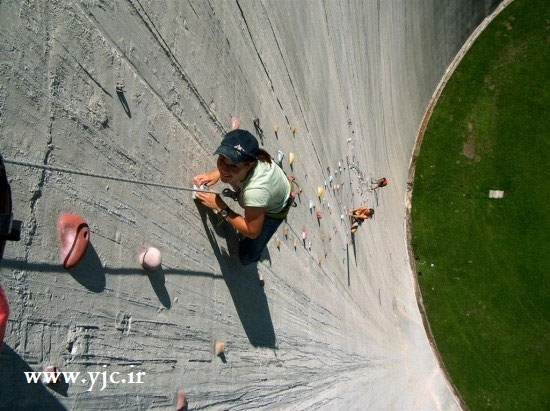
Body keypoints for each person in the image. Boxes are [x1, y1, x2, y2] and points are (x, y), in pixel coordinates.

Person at [194, 129, 292, 265]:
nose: (224, 167)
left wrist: (221, 206)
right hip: (273, 187)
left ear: (249, 164)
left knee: (247, 256)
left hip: (276, 210)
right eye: (222, 158)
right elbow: (229, 164)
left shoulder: (255, 191)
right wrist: (218, 174)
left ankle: (254, 254)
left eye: (233, 164)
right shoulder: (250, 154)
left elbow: (252, 231)